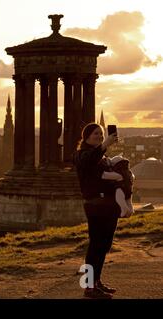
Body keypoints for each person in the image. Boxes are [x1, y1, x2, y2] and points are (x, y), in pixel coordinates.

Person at [73, 123, 120, 299]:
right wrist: (104, 145)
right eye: (95, 134)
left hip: (108, 205)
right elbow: (88, 161)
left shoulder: (99, 155)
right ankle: (89, 287)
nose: (99, 136)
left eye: (101, 134)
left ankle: (96, 282)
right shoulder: (81, 154)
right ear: (86, 137)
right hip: (95, 205)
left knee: (104, 246)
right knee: (96, 246)